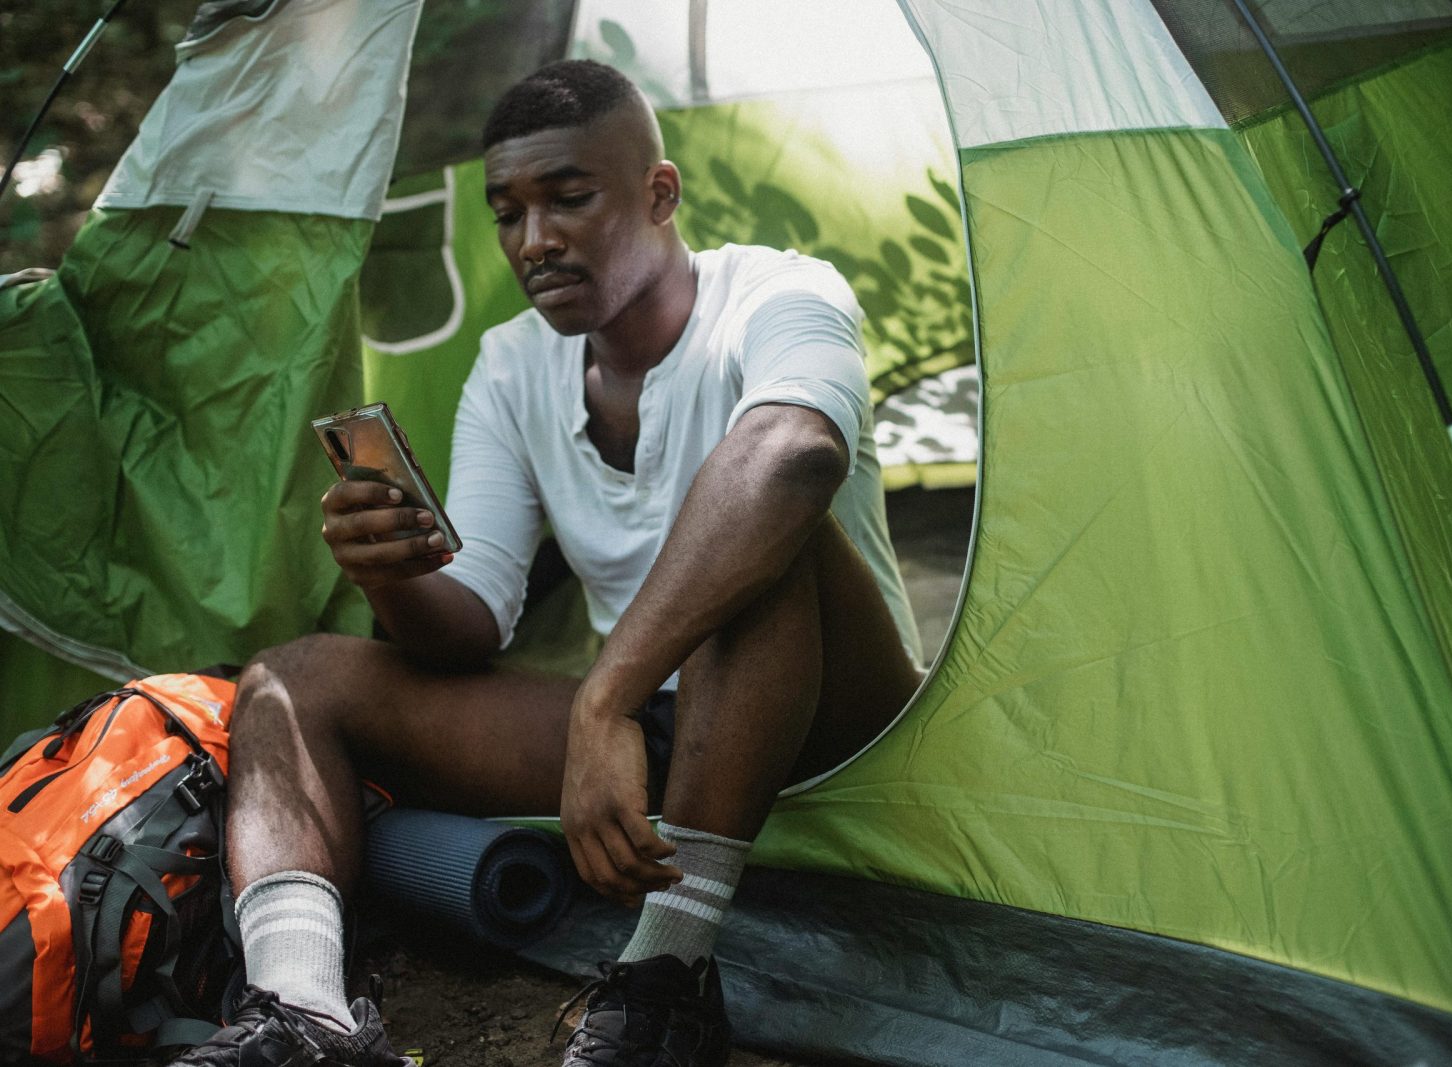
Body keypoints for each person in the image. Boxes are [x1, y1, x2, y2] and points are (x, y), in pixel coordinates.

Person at [173, 59, 923, 1067]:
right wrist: (388, 572)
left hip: (840, 715)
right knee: (288, 677)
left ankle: (666, 978)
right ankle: (302, 1011)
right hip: (665, 728)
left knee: (767, 524)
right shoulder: (512, 363)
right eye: (507, 214)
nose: (535, 240)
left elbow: (797, 455)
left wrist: (600, 699)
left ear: (659, 194)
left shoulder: (780, 292)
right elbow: (475, 612)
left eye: (569, 198)